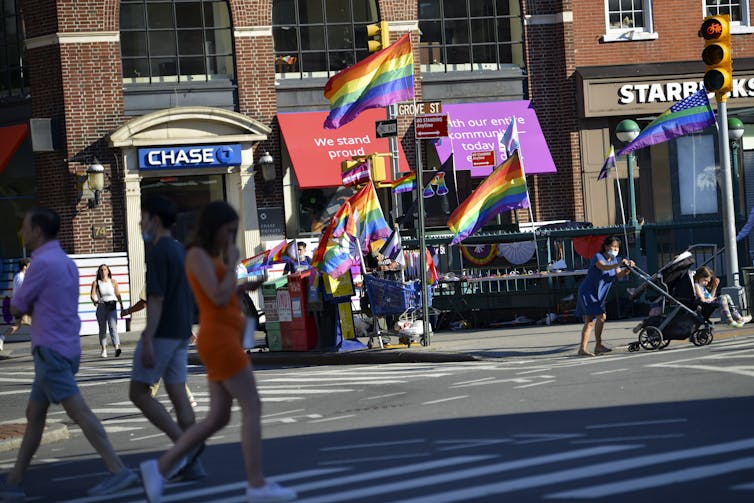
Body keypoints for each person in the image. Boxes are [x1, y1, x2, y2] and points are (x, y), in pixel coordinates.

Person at [139, 201, 296, 503]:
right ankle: (256, 483)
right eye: (230, 230)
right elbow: (216, 294)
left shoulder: (208, 256)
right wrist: (234, 265)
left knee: (218, 417)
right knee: (252, 406)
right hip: (220, 340)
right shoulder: (197, 255)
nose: (232, 237)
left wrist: (248, 283)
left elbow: (223, 292)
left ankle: (161, 468)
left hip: (224, 337)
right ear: (215, 227)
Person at [0, 208, 138, 500]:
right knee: (34, 416)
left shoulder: (41, 264)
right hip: (65, 346)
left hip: (51, 350)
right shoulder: (65, 262)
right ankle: (13, 481)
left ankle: (118, 470)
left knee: (79, 412)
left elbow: (17, 307)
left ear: (37, 232)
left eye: (24, 227)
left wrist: (12, 302)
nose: (21, 233)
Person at [129, 196, 205, 482]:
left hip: (161, 333)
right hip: (180, 331)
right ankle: (193, 461)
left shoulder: (159, 250)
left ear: (156, 221)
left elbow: (156, 300)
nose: (140, 223)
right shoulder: (179, 249)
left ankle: (186, 450)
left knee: (138, 393)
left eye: (144, 217)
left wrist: (147, 337)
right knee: (177, 395)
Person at [122, 286, 198, 408]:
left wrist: (128, 311)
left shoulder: (155, 278)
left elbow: (143, 303)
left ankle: (149, 396)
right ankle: (187, 397)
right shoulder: (173, 280)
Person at [575, 236, 634, 357]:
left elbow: (619, 275)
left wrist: (628, 268)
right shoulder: (598, 257)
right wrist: (618, 263)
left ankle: (591, 347)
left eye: (617, 247)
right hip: (588, 291)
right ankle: (592, 346)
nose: (615, 249)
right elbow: (603, 267)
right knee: (598, 318)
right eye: (613, 246)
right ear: (606, 247)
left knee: (593, 320)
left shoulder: (614, 260)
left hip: (600, 293)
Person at [90, 264, 124, 358]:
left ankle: (117, 347)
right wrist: (94, 301)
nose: (103, 271)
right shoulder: (96, 283)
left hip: (112, 305)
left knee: (113, 327)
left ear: (108, 271)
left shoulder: (113, 282)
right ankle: (104, 349)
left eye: (105, 269)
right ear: (99, 272)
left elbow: (117, 294)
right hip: (101, 306)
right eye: (101, 270)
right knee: (102, 329)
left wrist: (121, 305)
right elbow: (92, 295)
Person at [0, 258, 30, 352]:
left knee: (17, 325)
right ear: (24, 266)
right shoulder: (21, 278)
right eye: (29, 266)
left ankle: (2, 337)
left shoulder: (18, 276)